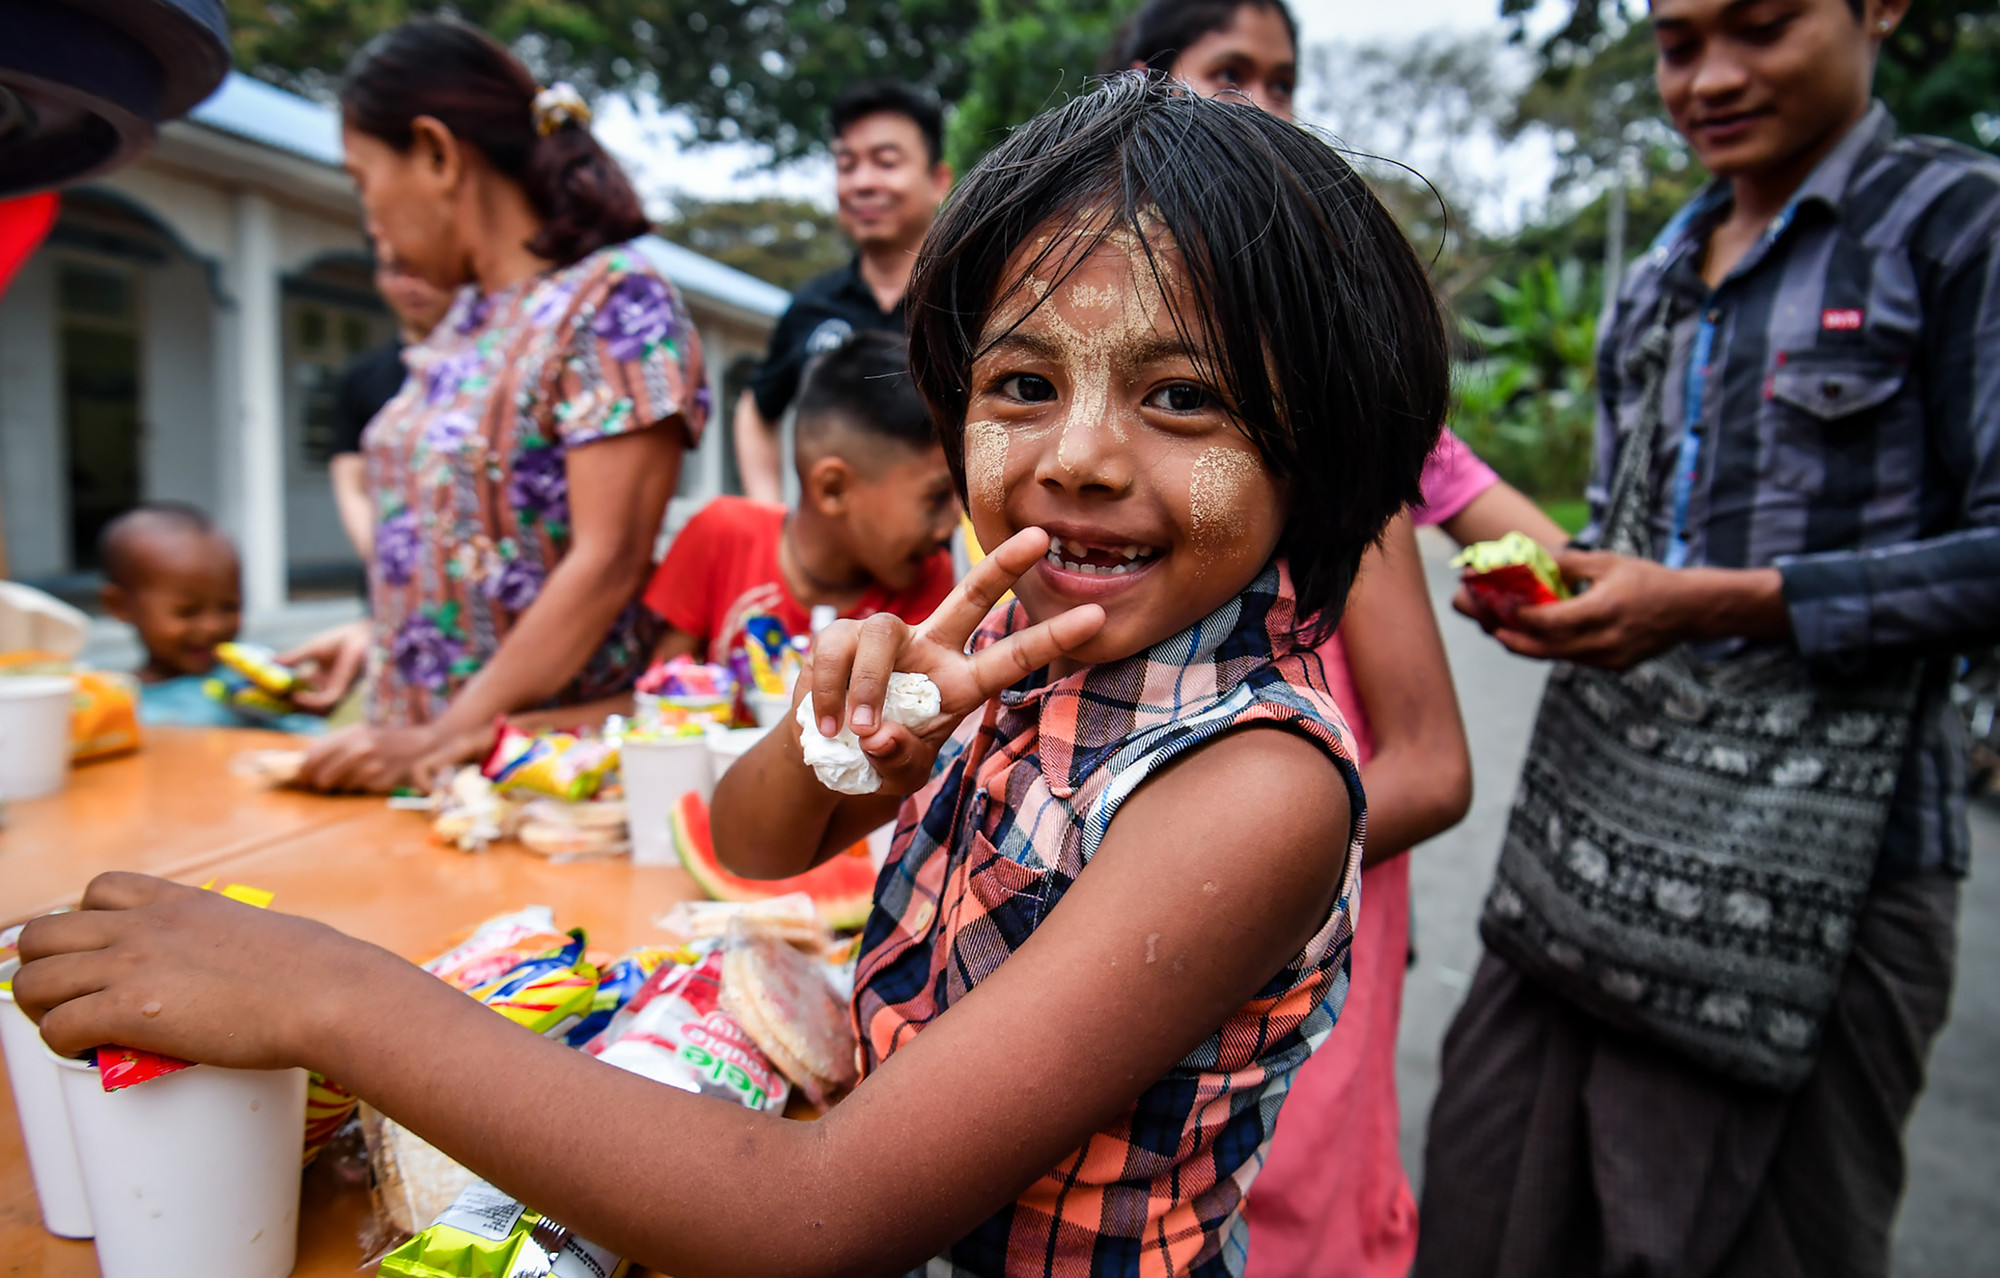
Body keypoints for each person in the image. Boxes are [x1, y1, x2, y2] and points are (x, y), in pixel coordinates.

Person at [16, 77, 1450, 1277]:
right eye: (1021, 385)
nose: (1073, 453)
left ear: (1317, 443)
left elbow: (808, 1213)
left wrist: (332, 997)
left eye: (1180, 395)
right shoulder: (1038, 654)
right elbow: (756, 845)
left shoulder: (1251, 786)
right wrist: (850, 744)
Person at [1417, 0, 2000, 1274]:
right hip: (1587, 854)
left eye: (1761, 27)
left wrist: (1729, 604)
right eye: (1678, 45)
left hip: (1837, 875)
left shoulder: (1957, 229)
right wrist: (1562, 597)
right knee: (1494, 1213)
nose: (1710, 80)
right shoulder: (1658, 275)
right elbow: (1639, 545)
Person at [1114, 5, 1562, 1274]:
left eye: (1280, 81)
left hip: (1280, 971)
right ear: (1135, 100)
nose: (1261, 105)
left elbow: (1428, 761)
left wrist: (1200, 883)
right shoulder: (1074, 463)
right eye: (1226, 75)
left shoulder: (1338, 435)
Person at [277, 19, 708, 792]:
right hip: (413, 765)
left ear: (437, 153)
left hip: (528, 778)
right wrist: (383, 639)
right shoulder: (467, 321)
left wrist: (445, 736)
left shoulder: (612, 302)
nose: (367, 215)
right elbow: (468, 544)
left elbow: (604, 561)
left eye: (361, 178)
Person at [644, 330, 958, 666]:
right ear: (833, 489)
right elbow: (657, 695)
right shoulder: (720, 534)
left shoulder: (927, 576)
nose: (953, 522)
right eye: (937, 497)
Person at [732, 80, 953, 504]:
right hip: (826, 564)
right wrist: (767, 510)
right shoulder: (811, 306)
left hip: (951, 562)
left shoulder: (972, 301)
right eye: (847, 165)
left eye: (886, 162)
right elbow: (756, 409)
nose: (863, 183)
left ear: (938, 180)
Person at [97, 503, 322, 734]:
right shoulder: (109, 702)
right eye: (188, 612)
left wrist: (300, 700)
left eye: (229, 607)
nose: (212, 627)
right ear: (120, 606)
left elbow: (307, 741)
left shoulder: (249, 686)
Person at [327, 255, 455, 562]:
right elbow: (350, 479)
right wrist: (382, 557)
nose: (413, 286)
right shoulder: (362, 376)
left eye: (425, 270)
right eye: (397, 271)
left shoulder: (492, 365)